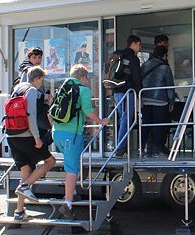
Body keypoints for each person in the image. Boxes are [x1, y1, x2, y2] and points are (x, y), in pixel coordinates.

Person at [51, 64, 109, 219]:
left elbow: (51, 112)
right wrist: (101, 121)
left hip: (57, 133)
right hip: (72, 134)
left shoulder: (62, 89)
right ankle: (67, 203)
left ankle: (73, 192)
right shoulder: (83, 90)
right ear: (82, 77)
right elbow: (88, 111)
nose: (88, 82)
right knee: (72, 169)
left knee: (71, 165)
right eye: (87, 79)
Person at [10, 67, 57, 221]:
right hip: (26, 136)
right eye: (41, 80)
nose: (41, 83)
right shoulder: (30, 90)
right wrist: (37, 137)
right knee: (50, 161)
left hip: (12, 135)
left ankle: (19, 212)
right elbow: (30, 115)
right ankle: (25, 187)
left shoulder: (17, 88)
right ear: (36, 78)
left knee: (27, 172)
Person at [108, 35, 142, 158]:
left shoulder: (119, 56)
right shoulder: (133, 58)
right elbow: (137, 78)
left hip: (116, 91)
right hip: (128, 91)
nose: (140, 47)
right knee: (126, 118)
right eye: (139, 44)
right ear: (133, 44)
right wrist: (139, 93)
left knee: (122, 119)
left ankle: (121, 146)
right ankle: (121, 147)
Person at [140, 45, 177, 157]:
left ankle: (142, 148)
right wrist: (171, 101)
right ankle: (157, 149)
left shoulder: (145, 65)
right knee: (159, 126)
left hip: (145, 99)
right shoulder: (165, 68)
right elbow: (169, 86)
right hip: (160, 101)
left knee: (146, 126)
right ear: (164, 55)